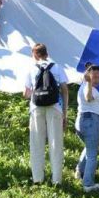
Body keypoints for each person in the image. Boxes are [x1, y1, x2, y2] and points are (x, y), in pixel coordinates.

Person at [23, 43, 70, 185]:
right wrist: (65, 113)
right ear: (46, 53)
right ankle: (57, 180)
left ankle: (38, 179)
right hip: (55, 108)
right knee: (56, 143)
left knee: (37, 143)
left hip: (36, 108)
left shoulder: (31, 69)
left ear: (35, 54)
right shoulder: (57, 67)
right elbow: (65, 90)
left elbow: (26, 93)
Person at [75, 62, 99, 193]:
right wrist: (88, 82)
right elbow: (88, 98)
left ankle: (79, 171)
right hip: (90, 121)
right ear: (88, 76)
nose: (98, 79)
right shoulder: (87, 87)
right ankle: (88, 184)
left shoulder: (85, 87)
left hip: (82, 121)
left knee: (89, 148)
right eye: (95, 76)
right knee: (93, 154)